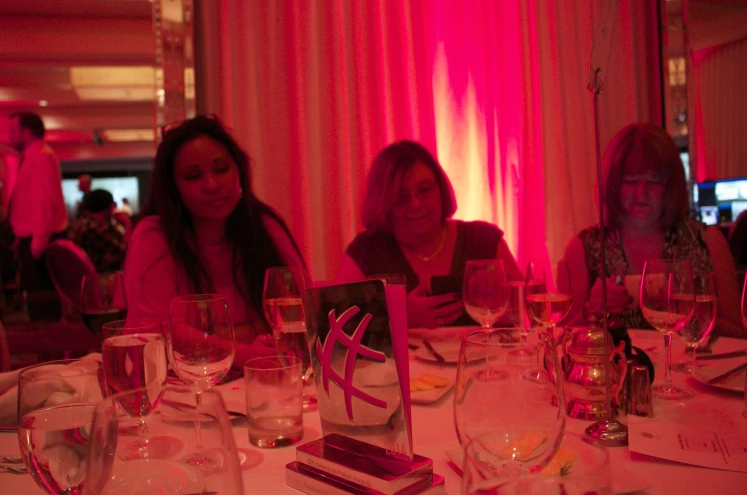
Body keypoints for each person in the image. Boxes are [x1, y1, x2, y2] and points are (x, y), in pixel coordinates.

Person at [124, 115, 307, 370]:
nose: (211, 184)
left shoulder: (264, 225)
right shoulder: (155, 236)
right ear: (173, 187)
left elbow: (302, 312)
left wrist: (205, 336)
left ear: (239, 172)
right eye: (193, 176)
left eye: (221, 169)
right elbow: (156, 334)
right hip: (188, 394)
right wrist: (244, 350)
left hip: (266, 381)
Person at [563, 123, 746, 339]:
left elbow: (740, 338)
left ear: (670, 186)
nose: (641, 193)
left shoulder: (708, 241)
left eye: (653, 181)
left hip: (696, 371)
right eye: (630, 181)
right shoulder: (584, 248)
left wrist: (693, 315)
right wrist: (590, 311)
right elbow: (563, 340)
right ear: (613, 184)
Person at [336, 140, 521, 329]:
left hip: (487, 359)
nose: (415, 204)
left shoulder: (483, 241)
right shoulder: (368, 252)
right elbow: (334, 338)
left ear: (440, 189)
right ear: (384, 203)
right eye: (401, 196)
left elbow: (523, 316)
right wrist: (398, 319)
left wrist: (499, 305)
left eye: (424, 190)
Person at [7, 112, 67, 318]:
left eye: (14, 131)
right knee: (39, 299)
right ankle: (48, 347)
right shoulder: (34, 156)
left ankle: (50, 347)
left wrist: (38, 240)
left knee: (42, 301)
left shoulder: (40, 156)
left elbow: (43, 201)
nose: (10, 136)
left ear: (28, 132)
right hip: (34, 237)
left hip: (40, 239)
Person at [68, 189, 127, 272]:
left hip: (77, 274)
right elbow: (124, 251)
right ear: (110, 207)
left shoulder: (80, 222)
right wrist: (127, 224)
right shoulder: (95, 228)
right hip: (97, 275)